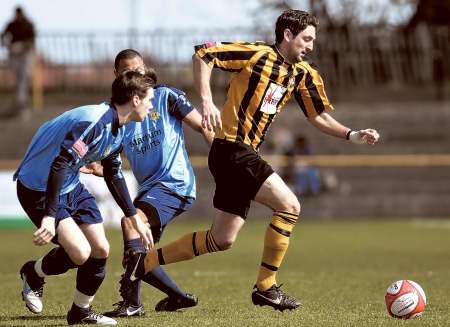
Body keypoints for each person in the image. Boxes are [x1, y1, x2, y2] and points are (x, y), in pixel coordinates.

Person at [120, 9, 380, 312]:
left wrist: (352, 134)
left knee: (221, 239)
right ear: (287, 35)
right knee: (290, 205)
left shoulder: (303, 74)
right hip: (231, 148)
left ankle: (144, 262)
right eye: (306, 39)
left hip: (239, 154)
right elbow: (203, 53)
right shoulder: (257, 54)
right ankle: (266, 288)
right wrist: (206, 99)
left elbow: (318, 115)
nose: (310, 46)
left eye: (312, 40)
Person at [14, 70, 155, 325]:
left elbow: (113, 173)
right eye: (149, 98)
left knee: (100, 249)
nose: (151, 104)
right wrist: (48, 216)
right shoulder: (95, 122)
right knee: (80, 252)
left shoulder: (121, 127)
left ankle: (80, 312)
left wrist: (134, 218)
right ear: (135, 99)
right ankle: (33, 273)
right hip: (38, 187)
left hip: (70, 184)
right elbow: (59, 164)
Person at [83, 49, 214, 317]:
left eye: (139, 70)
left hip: (174, 184)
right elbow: (112, 154)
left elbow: (204, 127)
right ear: (117, 75)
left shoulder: (164, 96)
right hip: (151, 189)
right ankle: (177, 298)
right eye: (128, 72)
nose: (136, 75)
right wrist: (98, 165)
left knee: (131, 222)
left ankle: (132, 304)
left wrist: (227, 163)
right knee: (141, 255)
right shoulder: (117, 111)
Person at [1, 6, 36, 118]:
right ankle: (19, 104)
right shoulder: (11, 24)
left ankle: (22, 105)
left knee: (23, 78)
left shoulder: (28, 24)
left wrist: (22, 46)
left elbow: (32, 41)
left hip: (26, 55)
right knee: (19, 80)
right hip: (14, 55)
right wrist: (7, 45)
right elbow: (3, 35)